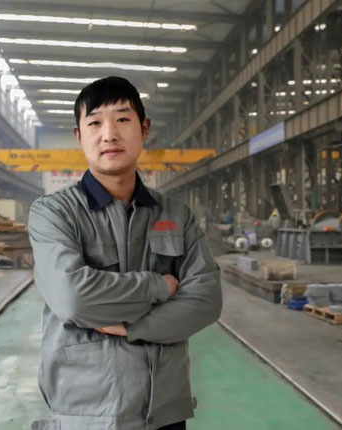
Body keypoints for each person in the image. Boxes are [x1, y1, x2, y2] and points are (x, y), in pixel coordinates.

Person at [28, 76, 222, 430]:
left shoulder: (176, 215)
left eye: (122, 119)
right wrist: (160, 287)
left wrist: (129, 327)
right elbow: (73, 298)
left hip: (166, 411)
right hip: (88, 415)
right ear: (79, 135)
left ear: (144, 128)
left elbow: (206, 301)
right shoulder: (54, 213)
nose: (109, 134)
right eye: (95, 123)